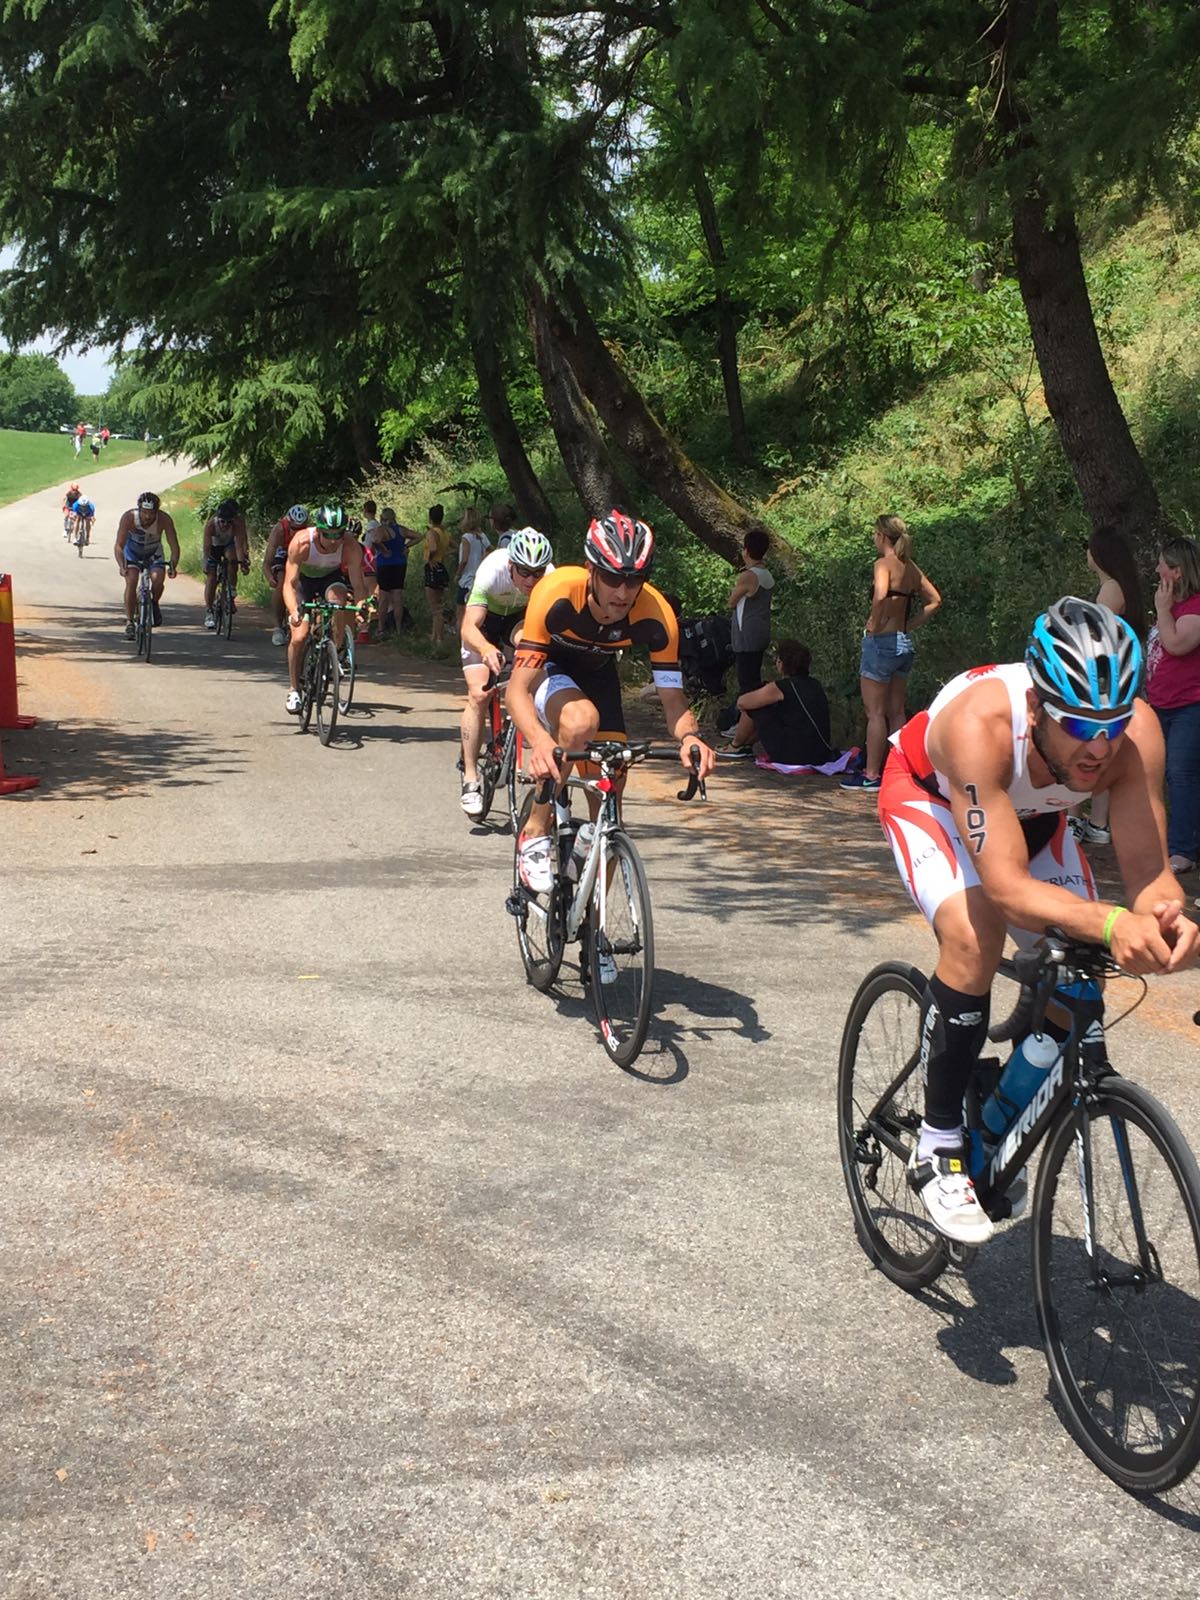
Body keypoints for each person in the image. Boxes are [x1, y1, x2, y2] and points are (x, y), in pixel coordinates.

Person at [879, 596, 1197, 1245]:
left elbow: (1148, 871)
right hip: (933, 798)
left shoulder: (1134, 735)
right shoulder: (982, 724)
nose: (1100, 746)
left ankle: (990, 1127)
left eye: (1112, 722)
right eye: (1079, 724)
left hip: (1033, 819)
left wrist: (1168, 917)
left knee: (1081, 988)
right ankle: (939, 1145)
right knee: (976, 935)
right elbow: (1006, 887)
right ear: (1036, 709)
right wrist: (1111, 925)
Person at [506, 509, 716, 894]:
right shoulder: (553, 594)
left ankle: (593, 927)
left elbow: (673, 700)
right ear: (590, 569)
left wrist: (690, 737)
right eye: (612, 578)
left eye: (635, 580)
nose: (623, 592)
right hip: (550, 667)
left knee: (610, 804)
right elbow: (515, 690)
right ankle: (536, 828)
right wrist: (540, 741)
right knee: (580, 719)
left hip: (600, 674)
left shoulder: (657, 615)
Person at [458, 528, 555, 818]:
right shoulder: (491, 569)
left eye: (536, 573)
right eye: (524, 571)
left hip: (518, 623)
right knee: (479, 694)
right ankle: (471, 779)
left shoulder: (550, 578)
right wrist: (487, 649)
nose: (529, 580)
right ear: (511, 565)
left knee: (539, 679)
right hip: (484, 625)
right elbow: (468, 627)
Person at [841, 514, 942, 792]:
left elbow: (881, 594)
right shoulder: (910, 568)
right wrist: (910, 624)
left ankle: (872, 773)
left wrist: (874, 623)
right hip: (903, 642)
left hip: (881, 642)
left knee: (875, 712)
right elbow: (935, 600)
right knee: (897, 711)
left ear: (882, 536)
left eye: (875, 534)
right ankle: (900, 770)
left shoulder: (882, 564)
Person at [1076, 526, 1147, 845]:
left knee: (1084, 743)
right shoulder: (1121, 586)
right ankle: (1098, 821)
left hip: (1104, 678)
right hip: (1119, 676)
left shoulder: (1111, 589)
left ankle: (1079, 818)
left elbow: (1095, 636)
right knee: (1107, 747)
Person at [280, 505, 368, 715]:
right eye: (328, 535)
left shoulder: (350, 545)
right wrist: (294, 612)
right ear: (318, 531)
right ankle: (294, 689)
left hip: (330, 578)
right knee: (299, 635)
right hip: (303, 583)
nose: (334, 540)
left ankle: (335, 651)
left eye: (338, 534)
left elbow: (358, 585)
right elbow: (289, 584)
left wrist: (361, 607)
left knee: (338, 602)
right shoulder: (301, 542)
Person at [1146, 534, 1200, 876]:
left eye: (1162, 564)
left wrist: (1163, 611)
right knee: (1164, 774)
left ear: (1177, 572)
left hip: (1189, 706)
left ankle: (1184, 848)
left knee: (1182, 775)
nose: (1157, 569)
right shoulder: (1174, 606)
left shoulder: (1193, 608)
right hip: (1161, 703)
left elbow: (1177, 644)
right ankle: (1169, 841)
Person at [722, 641, 833, 766]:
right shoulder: (814, 684)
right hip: (820, 753)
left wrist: (762, 690)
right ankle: (745, 745)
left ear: (781, 663)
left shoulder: (782, 687)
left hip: (793, 755)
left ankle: (736, 745)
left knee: (755, 706)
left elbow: (742, 702)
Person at [115, 491, 180, 637]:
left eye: (151, 513)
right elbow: (119, 545)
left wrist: (173, 565)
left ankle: (154, 602)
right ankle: (130, 621)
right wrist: (121, 565)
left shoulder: (164, 520)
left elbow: (174, 545)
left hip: (153, 553)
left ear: (157, 511)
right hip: (132, 553)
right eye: (144, 512)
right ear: (139, 510)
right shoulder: (129, 518)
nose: (148, 517)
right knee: (132, 581)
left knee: (158, 580)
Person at [724, 527, 775, 712]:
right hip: (762, 629)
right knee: (754, 677)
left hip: (746, 633)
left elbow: (731, 602)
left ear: (746, 550)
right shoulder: (767, 574)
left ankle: (743, 722)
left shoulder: (748, 575)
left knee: (746, 681)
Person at [371, 506, 422, 637]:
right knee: (397, 597)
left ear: (382, 518)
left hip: (385, 565)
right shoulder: (401, 529)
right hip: (400, 564)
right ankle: (399, 629)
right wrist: (406, 546)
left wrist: (383, 550)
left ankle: (381, 628)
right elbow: (419, 536)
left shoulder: (382, 529)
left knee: (383, 598)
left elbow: (375, 540)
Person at [264, 504, 309, 645]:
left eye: (301, 529)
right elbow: (267, 562)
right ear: (288, 523)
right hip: (283, 553)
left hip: (301, 554)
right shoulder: (279, 530)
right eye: (294, 529)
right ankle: (277, 627)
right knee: (282, 582)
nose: (297, 532)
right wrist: (270, 577)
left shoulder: (310, 532)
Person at [202, 499, 250, 628]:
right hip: (214, 546)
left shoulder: (237, 525)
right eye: (222, 521)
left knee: (232, 560)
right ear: (218, 518)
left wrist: (242, 562)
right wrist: (206, 562)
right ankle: (209, 610)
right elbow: (206, 547)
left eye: (229, 522)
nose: (225, 525)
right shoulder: (211, 525)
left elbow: (240, 546)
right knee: (212, 577)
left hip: (228, 545)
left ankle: (231, 590)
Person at [454, 507, 490, 635]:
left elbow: (464, 559)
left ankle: (462, 640)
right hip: (479, 578)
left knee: (461, 613)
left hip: (466, 579)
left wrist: (458, 574)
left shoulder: (466, 537)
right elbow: (490, 549)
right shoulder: (482, 537)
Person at [423, 503, 451, 647]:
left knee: (435, 608)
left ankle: (439, 638)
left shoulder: (432, 532)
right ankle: (434, 635)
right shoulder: (444, 532)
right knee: (438, 604)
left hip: (433, 567)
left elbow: (433, 547)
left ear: (430, 517)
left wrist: (430, 558)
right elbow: (454, 546)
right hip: (442, 565)